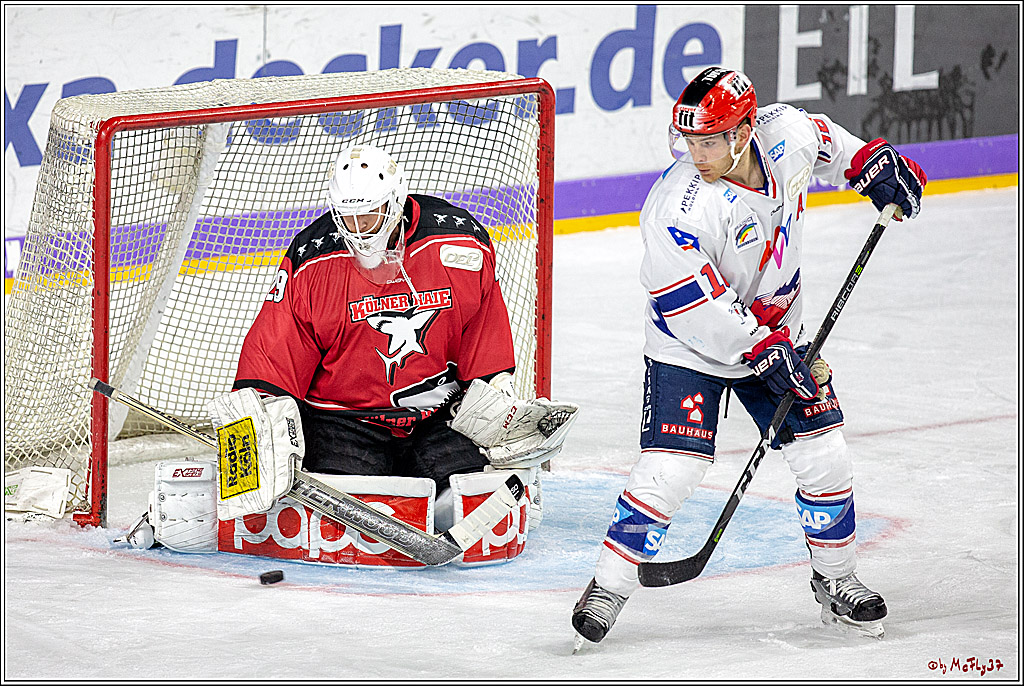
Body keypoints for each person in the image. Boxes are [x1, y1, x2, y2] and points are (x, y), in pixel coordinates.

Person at [571, 67, 926, 644]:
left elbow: (832, 144)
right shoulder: (675, 208)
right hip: (690, 347)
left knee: (824, 454)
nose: (697, 152)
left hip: (779, 338)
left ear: (743, 132)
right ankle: (610, 584)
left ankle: (837, 579)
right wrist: (763, 349)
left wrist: (875, 165)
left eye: (709, 140)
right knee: (671, 470)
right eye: (689, 140)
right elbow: (694, 308)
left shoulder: (784, 133)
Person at [231, 143, 569, 533]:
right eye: (348, 217)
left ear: (395, 202)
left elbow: (482, 327)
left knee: (475, 502)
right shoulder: (312, 259)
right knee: (342, 521)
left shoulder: (460, 244)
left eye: (369, 215)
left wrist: (499, 396)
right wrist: (257, 422)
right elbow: (275, 349)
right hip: (343, 421)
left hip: (438, 416)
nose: (358, 230)